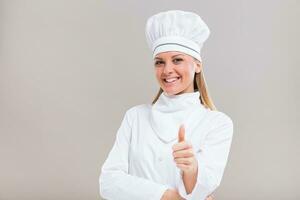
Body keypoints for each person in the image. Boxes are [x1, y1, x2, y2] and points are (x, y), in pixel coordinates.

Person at [99, 10, 234, 200]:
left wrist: (192, 169)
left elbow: (202, 190)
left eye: (177, 59)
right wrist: (168, 196)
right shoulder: (135, 117)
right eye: (159, 62)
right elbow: (108, 183)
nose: (167, 70)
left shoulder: (217, 123)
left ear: (197, 65)